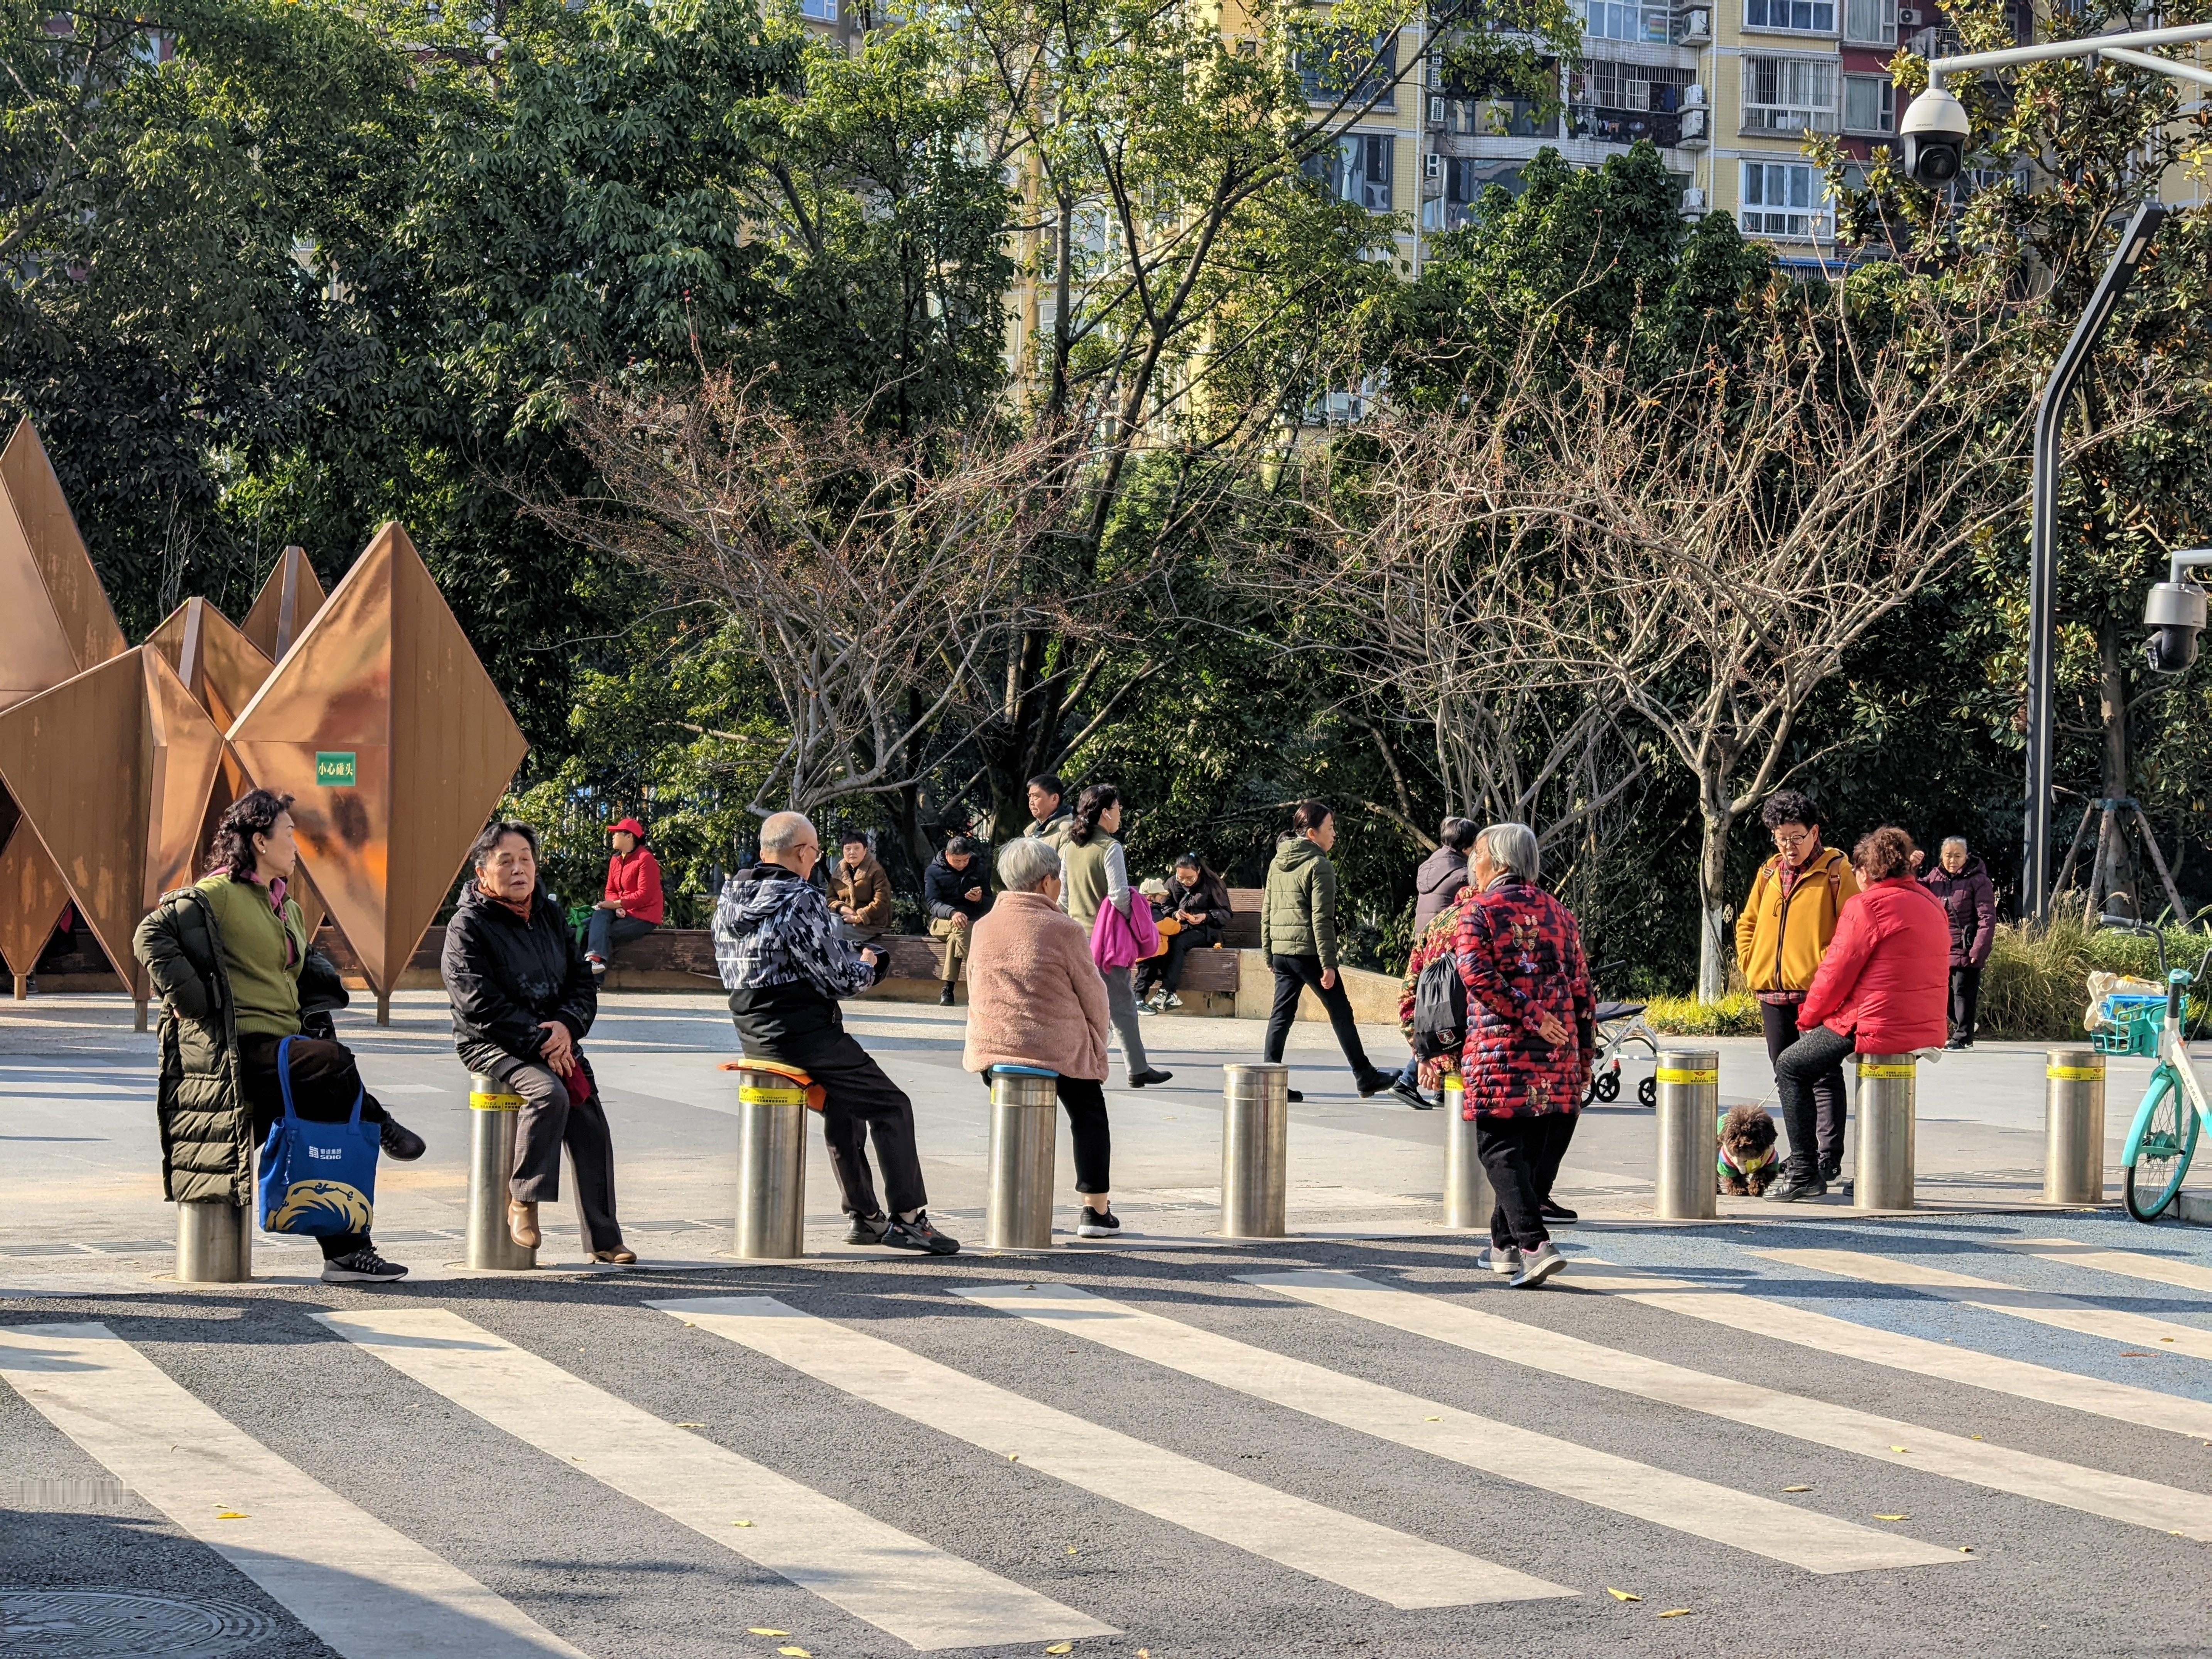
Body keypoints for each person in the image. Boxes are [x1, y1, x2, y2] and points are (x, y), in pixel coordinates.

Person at [134, 789, 422, 1284]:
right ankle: (382, 1121)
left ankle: (347, 1253)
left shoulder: (288, 907)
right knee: (333, 1061)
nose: (296, 844)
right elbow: (150, 935)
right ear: (260, 840)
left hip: (285, 1048)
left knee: (329, 1117)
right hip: (241, 1049)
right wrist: (192, 1000)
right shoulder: (216, 894)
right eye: (289, 834)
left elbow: (296, 968)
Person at [716, 810, 959, 1253]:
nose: (817, 860)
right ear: (803, 852)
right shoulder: (799, 898)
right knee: (892, 1106)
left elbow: (795, 954)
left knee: (846, 1108)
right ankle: (909, 1218)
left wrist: (846, 956)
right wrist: (869, 964)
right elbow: (838, 980)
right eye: (816, 852)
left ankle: (865, 1217)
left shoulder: (731, 898)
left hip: (752, 1028)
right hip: (804, 1033)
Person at [445, 820, 633, 1262]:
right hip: (493, 1041)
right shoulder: (467, 924)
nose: (518, 869)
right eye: (505, 861)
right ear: (481, 871)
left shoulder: (549, 914)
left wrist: (566, 1027)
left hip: (555, 1036)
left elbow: (582, 983)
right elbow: (476, 1001)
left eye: (525, 859)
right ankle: (524, 1199)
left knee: (590, 1123)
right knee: (548, 1095)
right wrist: (540, 1040)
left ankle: (604, 1239)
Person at [1768, 825, 1950, 1201]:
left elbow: (1834, 973)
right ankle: (1876, 1171)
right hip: (1925, 1024)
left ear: (1868, 871)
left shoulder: (1867, 905)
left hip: (1877, 1023)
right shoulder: (1930, 901)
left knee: (1790, 1065)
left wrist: (1807, 1019)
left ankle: (1804, 1171)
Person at [1452, 822, 1593, 1287]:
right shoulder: (1560, 913)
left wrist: (1530, 1015)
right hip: (1558, 1055)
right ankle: (1502, 1246)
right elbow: (1582, 992)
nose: (1472, 863)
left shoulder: (1479, 912)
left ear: (1499, 861)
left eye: (1477, 854)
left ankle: (1534, 1244)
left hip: (1502, 1052)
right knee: (1524, 1156)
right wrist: (1585, 1054)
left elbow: (1476, 975)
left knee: (1497, 1147)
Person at [964, 837, 1121, 1236]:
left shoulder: (983, 927)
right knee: (1088, 1113)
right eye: (1058, 879)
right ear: (1045, 882)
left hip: (994, 1047)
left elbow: (974, 984)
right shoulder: (1063, 929)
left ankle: (1016, 1201)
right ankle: (1095, 1211)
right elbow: (1094, 995)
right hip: (1056, 1050)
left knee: (1016, 1118)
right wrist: (1096, 1041)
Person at [1735, 789, 1859, 1186]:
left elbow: (1852, 932)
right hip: (1772, 993)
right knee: (1785, 1075)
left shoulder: (1837, 871)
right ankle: (1801, 1154)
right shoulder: (1768, 872)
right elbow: (1747, 923)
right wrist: (1750, 962)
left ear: (1814, 832)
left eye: (1796, 837)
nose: (1788, 846)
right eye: (1780, 837)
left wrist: (1827, 974)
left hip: (1817, 993)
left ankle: (1826, 1158)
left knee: (1822, 1076)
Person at [1261, 801, 1391, 1102]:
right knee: (1341, 1012)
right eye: (1330, 829)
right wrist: (1328, 964)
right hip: (1309, 952)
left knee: (1281, 1015)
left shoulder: (1277, 861)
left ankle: (1268, 1083)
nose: (1334, 835)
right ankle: (1365, 1076)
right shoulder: (1319, 865)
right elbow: (1322, 918)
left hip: (1282, 952)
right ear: (1312, 833)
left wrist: (1269, 953)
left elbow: (1266, 910)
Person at [1060, 784, 1174, 1088]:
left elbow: (1063, 898)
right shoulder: (1111, 848)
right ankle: (1137, 1068)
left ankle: (1072, 1066)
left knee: (1079, 1006)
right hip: (1105, 942)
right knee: (1121, 1004)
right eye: (1119, 808)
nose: (1121, 814)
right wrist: (1131, 922)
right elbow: (1119, 896)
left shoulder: (1070, 849)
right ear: (1106, 812)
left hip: (1074, 939)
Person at [1918, 836, 1997, 1048]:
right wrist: (1910, 865)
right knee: (1943, 994)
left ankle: (1963, 1038)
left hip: (1966, 945)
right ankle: (1966, 1024)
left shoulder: (1979, 881)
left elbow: (1987, 917)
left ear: (1966, 856)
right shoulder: (1935, 877)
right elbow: (1911, 888)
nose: (1952, 860)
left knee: (1962, 992)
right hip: (1941, 947)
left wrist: (1980, 947)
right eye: (1948, 856)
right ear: (1941, 857)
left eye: (1957, 856)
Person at [1138, 853, 1232, 1012]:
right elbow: (1163, 907)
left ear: (1199, 872)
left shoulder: (1212, 884)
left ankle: (1166, 990)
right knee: (1161, 944)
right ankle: (1147, 994)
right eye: (1181, 878)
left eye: (1190, 878)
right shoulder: (1172, 883)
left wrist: (1206, 916)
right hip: (1177, 928)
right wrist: (1175, 914)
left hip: (1206, 931)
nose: (1185, 882)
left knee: (1179, 943)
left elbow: (1226, 913)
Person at [586, 816, 664, 978]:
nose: (613, 836)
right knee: (599, 915)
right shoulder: (615, 860)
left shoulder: (645, 859)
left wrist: (617, 904)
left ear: (630, 836)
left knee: (601, 932)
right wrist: (618, 906)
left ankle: (595, 978)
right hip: (623, 910)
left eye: (617, 833)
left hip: (644, 916)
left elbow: (644, 896)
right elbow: (610, 889)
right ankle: (594, 961)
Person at [924, 835, 993, 1006]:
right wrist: (952, 912)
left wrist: (979, 900)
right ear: (947, 856)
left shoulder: (978, 868)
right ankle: (984, 976)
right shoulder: (933, 871)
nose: (962, 864)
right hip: (940, 921)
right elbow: (932, 903)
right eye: (957, 861)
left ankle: (948, 990)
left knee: (957, 935)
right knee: (960, 925)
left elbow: (991, 903)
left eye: (965, 860)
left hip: (970, 922)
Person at [1413, 817, 1478, 933]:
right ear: (1465, 848)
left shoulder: (1431, 865)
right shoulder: (1463, 876)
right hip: (1445, 945)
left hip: (1423, 945)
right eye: (1477, 845)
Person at [829, 831, 895, 933]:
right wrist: (842, 908)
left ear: (865, 850)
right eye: (848, 849)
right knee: (830, 926)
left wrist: (859, 917)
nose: (852, 852)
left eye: (857, 848)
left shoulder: (876, 871)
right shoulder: (839, 871)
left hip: (872, 924)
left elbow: (882, 901)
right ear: (843, 851)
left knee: (840, 934)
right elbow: (830, 898)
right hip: (845, 919)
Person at [1025, 774, 1075, 850]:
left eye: (1036, 796)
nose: (1031, 802)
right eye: (1030, 797)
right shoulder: (1032, 830)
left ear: (1054, 799)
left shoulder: (1067, 830)